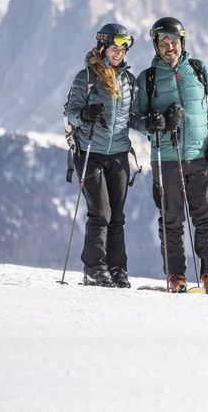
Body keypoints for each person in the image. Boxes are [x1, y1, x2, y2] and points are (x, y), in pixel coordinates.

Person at [135, 16, 208, 294]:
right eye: (164, 42)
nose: (170, 47)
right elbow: (135, 117)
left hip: (200, 156)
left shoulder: (199, 70)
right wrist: (151, 123)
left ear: (183, 42)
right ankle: (176, 275)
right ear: (156, 46)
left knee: (206, 217)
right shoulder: (148, 79)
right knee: (171, 219)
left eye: (174, 42)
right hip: (166, 158)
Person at [64, 23, 142, 288]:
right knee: (101, 213)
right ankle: (94, 268)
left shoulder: (128, 81)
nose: (119, 53)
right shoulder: (85, 77)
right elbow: (71, 113)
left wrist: (155, 124)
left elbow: (134, 119)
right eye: (114, 47)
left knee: (117, 216)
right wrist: (84, 115)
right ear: (102, 47)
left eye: (123, 48)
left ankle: (117, 269)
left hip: (119, 155)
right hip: (90, 153)